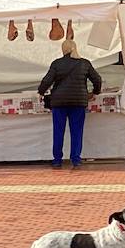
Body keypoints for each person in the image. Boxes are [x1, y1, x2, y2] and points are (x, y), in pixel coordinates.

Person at [38, 38, 102, 169]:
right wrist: (95, 92)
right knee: (77, 131)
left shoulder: (57, 63)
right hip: (78, 102)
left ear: (63, 49)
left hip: (59, 102)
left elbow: (47, 80)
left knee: (58, 131)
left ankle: (57, 159)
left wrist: (41, 91)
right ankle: (76, 159)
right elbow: (97, 79)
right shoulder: (84, 63)